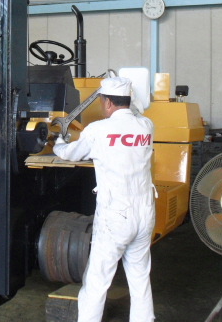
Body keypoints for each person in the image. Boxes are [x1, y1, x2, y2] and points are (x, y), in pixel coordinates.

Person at [53, 76, 156, 322]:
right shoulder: (146, 126)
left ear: (108, 102)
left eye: (101, 101)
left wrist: (58, 142)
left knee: (97, 280)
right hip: (145, 212)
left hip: (116, 215)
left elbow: (70, 154)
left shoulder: (98, 130)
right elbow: (135, 116)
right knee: (140, 276)